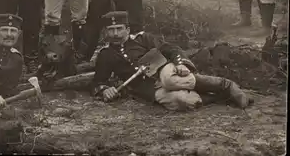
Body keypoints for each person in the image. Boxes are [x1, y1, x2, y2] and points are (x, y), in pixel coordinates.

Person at [91, 11, 252, 111]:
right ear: (106, 32)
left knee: (169, 81)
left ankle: (225, 85)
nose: (115, 33)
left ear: (128, 29)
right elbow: (98, 81)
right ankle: (221, 97)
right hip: (145, 87)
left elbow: (171, 49)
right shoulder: (105, 54)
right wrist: (105, 90)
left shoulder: (143, 39)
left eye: (119, 28)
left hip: (164, 70)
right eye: (111, 30)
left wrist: (180, 64)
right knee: (182, 101)